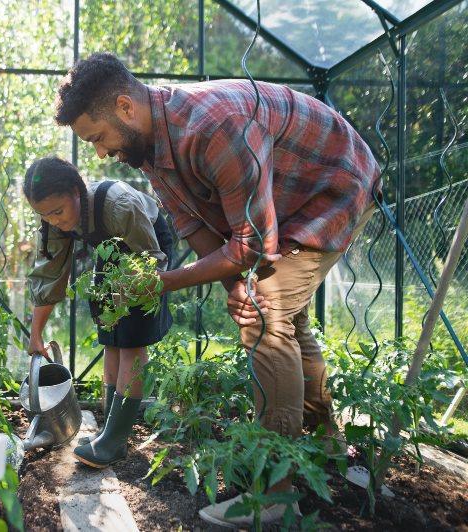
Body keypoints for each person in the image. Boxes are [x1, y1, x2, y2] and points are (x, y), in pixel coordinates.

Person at [54, 52, 380, 526]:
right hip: (279, 207)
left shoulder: (213, 125)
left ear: (125, 107)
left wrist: (165, 282)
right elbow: (198, 228)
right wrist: (235, 283)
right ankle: (328, 447)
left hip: (332, 186)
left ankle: (275, 494)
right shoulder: (150, 150)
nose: (100, 153)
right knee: (278, 312)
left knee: (267, 317)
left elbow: (249, 245)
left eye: (97, 138)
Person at [24, 156, 173, 468]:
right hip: (112, 251)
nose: (53, 220)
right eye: (44, 215)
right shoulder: (55, 223)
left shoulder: (119, 204)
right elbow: (50, 276)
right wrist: (36, 335)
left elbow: (150, 261)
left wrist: (133, 291)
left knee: (130, 341)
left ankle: (115, 440)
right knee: (111, 336)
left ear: (77, 192)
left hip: (146, 248)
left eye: (57, 211)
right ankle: (109, 429)